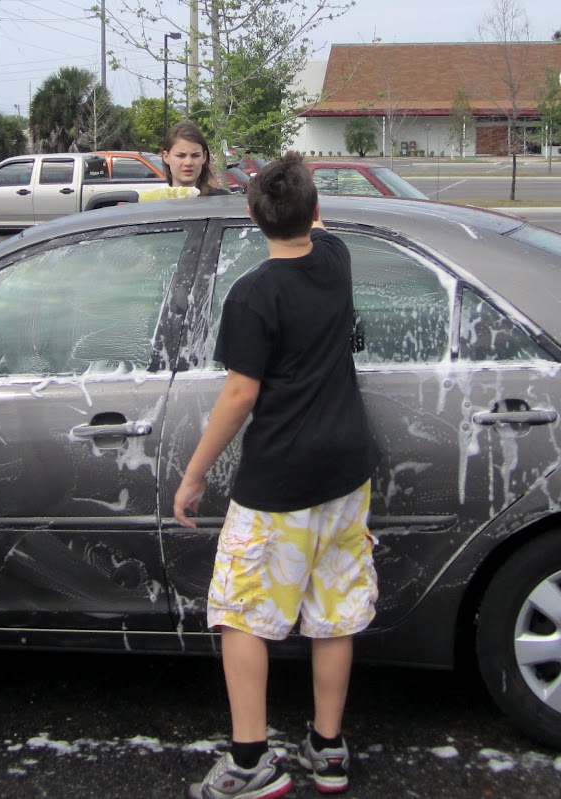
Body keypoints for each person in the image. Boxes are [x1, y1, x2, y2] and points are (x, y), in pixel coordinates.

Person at [173, 152, 377, 799]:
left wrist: (194, 475)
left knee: (239, 611)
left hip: (280, 482)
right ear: (317, 213)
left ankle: (249, 760)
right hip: (348, 472)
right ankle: (328, 746)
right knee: (335, 610)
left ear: (251, 217)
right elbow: (315, 228)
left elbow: (239, 395)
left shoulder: (254, 294)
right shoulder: (337, 260)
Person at [162, 121, 231, 197]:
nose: (188, 163)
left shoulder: (222, 200)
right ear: (166, 157)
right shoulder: (156, 202)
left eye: (195, 155)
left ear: (204, 157)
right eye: (181, 156)